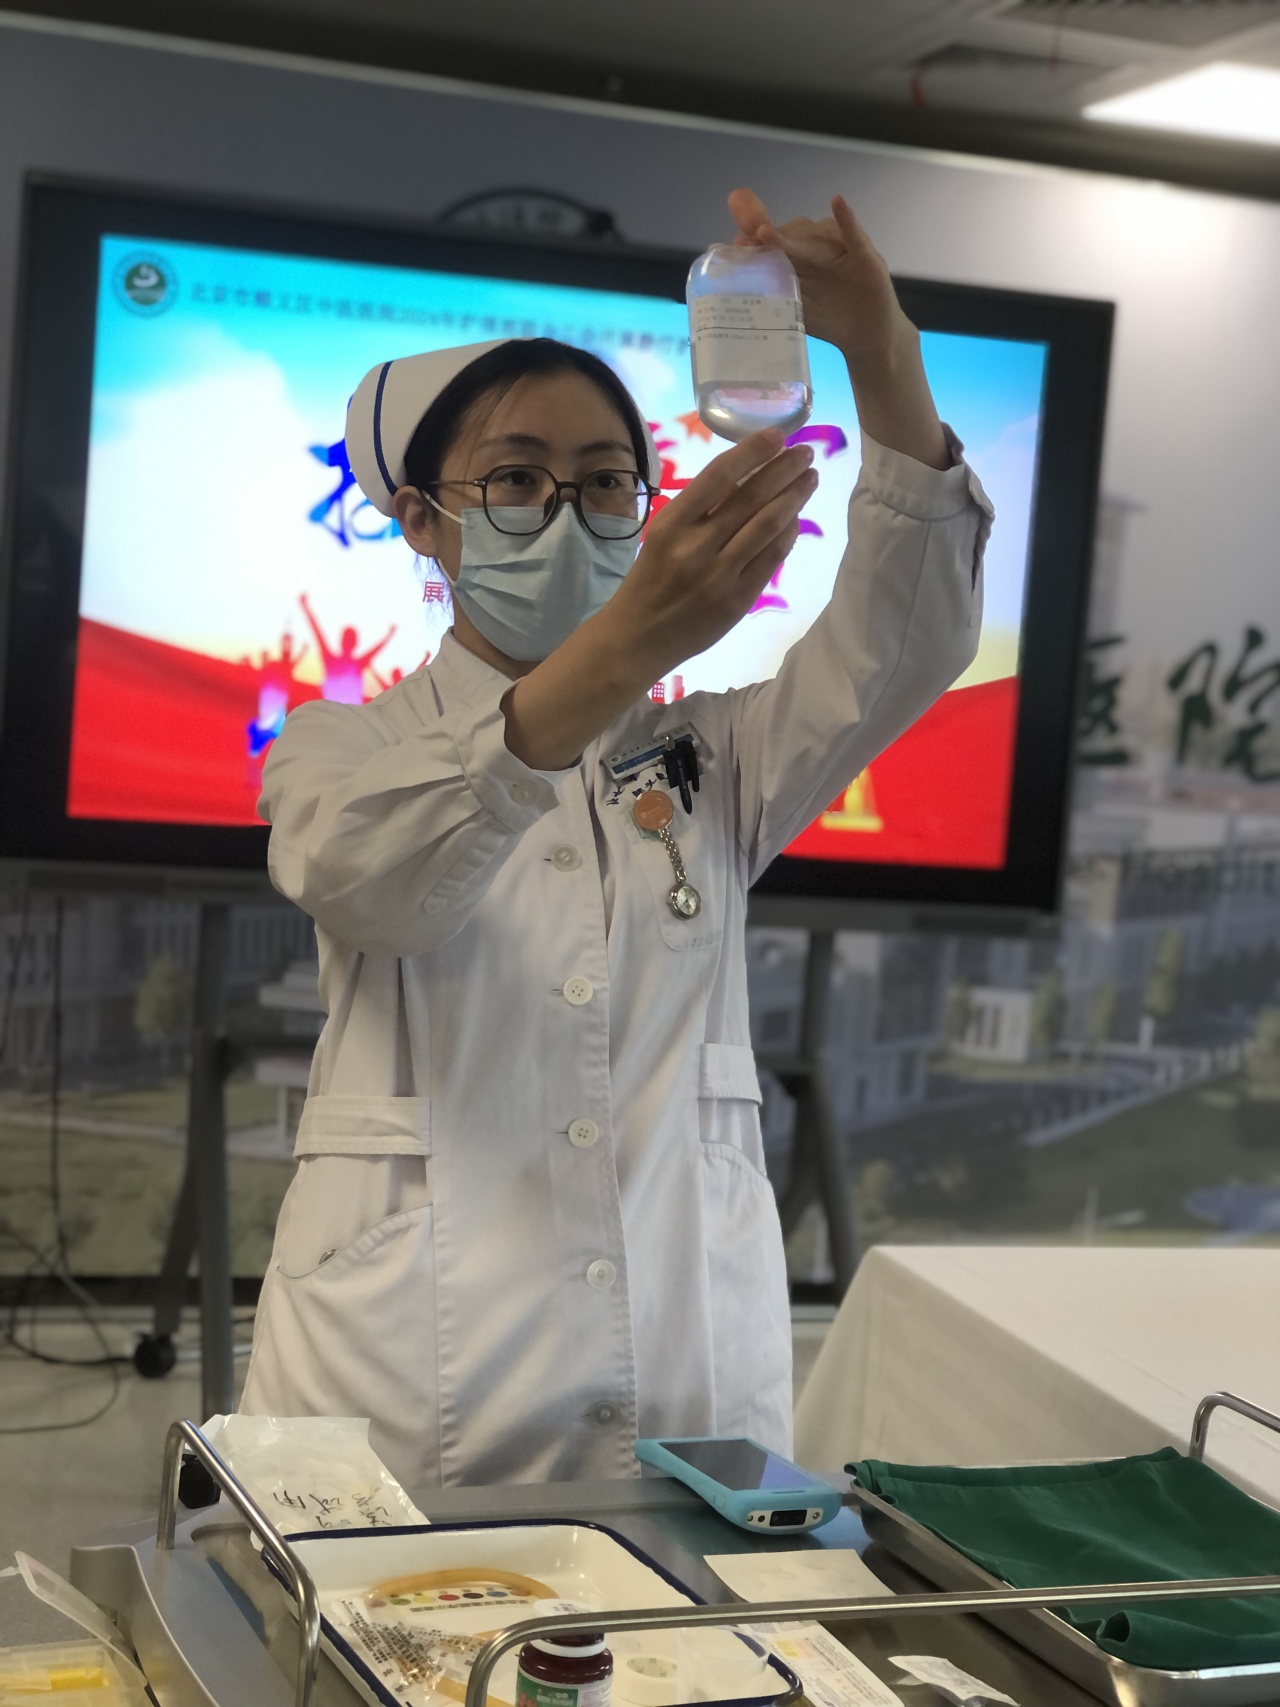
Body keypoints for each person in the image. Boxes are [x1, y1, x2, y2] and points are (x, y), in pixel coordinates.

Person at [239, 189, 992, 1490]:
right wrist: (633, 636)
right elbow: (378, 886)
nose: (569, 511)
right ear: (420, 519)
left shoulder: (710, 759)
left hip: (683, 1387)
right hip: (404, 1393)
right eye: (516, 478)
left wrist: (885, 355)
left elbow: (907, 638)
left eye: (604, 482)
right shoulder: (339, 748)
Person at [298, 592, 397, 705]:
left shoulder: (337, 661)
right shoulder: (353, 664)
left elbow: (317, 631)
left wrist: (305, 607)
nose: (348, 642)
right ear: (356, 643)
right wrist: (390, 634)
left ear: (341, 641)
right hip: (342, 714)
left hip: (336, 713)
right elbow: (317, 631)